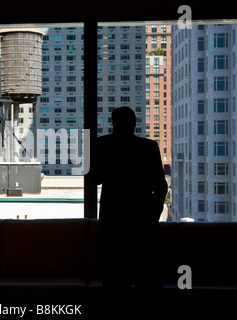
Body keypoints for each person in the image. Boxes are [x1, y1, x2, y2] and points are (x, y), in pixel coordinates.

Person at [91, 106, 168, 299]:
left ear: (113, 123)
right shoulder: (149, 147)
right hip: (142, 218)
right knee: (146, 277)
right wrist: (153, 214)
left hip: (112, 218)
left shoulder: (102, 144)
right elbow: (161, 186)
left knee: (114, 276)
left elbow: (94, 179)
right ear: (135, 123)